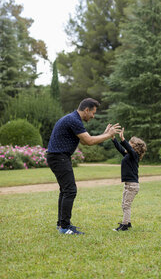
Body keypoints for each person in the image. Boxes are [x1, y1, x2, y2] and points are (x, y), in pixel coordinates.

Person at [46, 98, 121, 235]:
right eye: (93, 113)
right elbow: (89, 140)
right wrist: (108, 135)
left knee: (65, 190)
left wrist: (105, 135)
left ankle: (62, 224)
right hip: (59, 157)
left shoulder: (73, 119)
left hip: (57, 157)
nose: (93, 116)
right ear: (86, 110)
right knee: (70, 190)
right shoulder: (73, 120)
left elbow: (85, 142)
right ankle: (64, 227)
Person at [111, 127, 146, 231]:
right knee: (124, 204)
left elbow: (129, 149)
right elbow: (120, 148)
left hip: (132, 186)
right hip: (128, 185)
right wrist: (113, 138)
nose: (128, 144)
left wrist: (123, 139)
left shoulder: (134, 155)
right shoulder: (128, 155)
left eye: (130, 143)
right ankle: (128, 222)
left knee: (126, 206)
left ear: (134, 146)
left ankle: (124, 225)